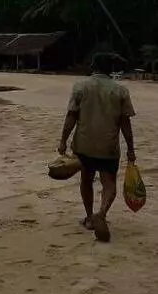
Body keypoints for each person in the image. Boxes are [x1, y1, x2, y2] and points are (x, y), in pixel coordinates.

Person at [58, 53, 136, 242]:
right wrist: (131, 148)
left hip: (85, 145)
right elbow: (125, 123)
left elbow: (72, 116)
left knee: (87, 180)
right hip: (109, 146)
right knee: (109, 183)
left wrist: (63, 140)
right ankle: (101, 213)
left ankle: (90, 218)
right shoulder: (120, 91)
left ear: (93, 66)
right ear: (111, 69)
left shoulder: (80, 87)